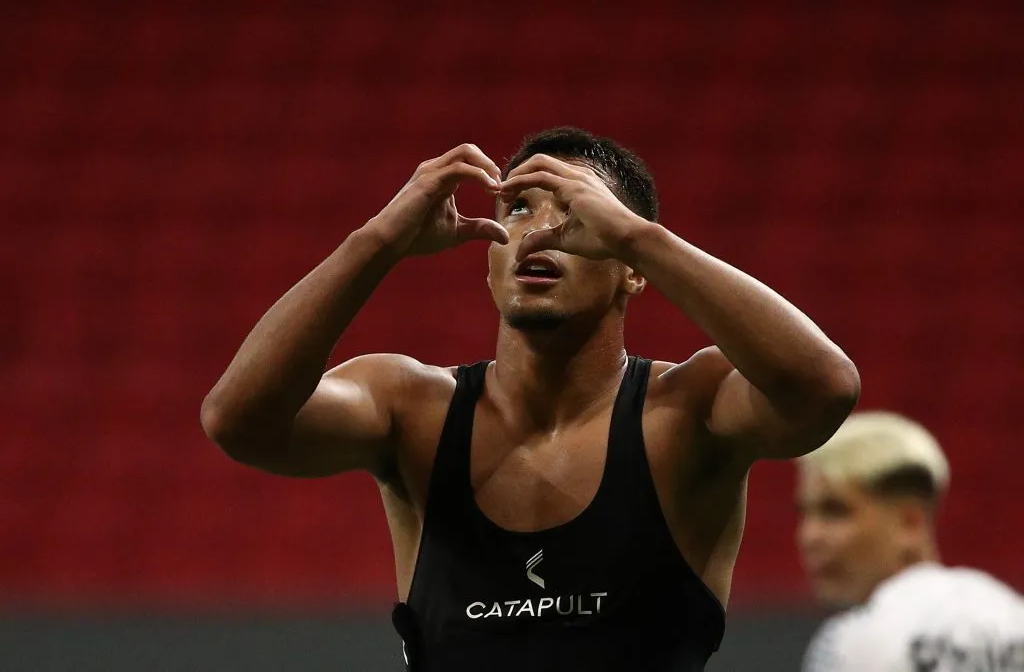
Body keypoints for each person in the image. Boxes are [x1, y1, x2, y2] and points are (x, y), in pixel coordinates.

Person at [201, 127, 861, 672]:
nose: (540, 231)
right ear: (489, 257)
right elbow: (237, 419)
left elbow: (823, 386)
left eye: (575, 212)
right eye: (518, 207)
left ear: (634, 270)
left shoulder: (686, 410)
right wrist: (377, 242)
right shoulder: (411, 407)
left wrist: (641, 238)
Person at [796, 411, 1024, 671]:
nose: (810, 535)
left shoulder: (851, 644)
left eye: (835, 511)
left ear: (909, 521)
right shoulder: (1012, 616)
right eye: (805, 513)